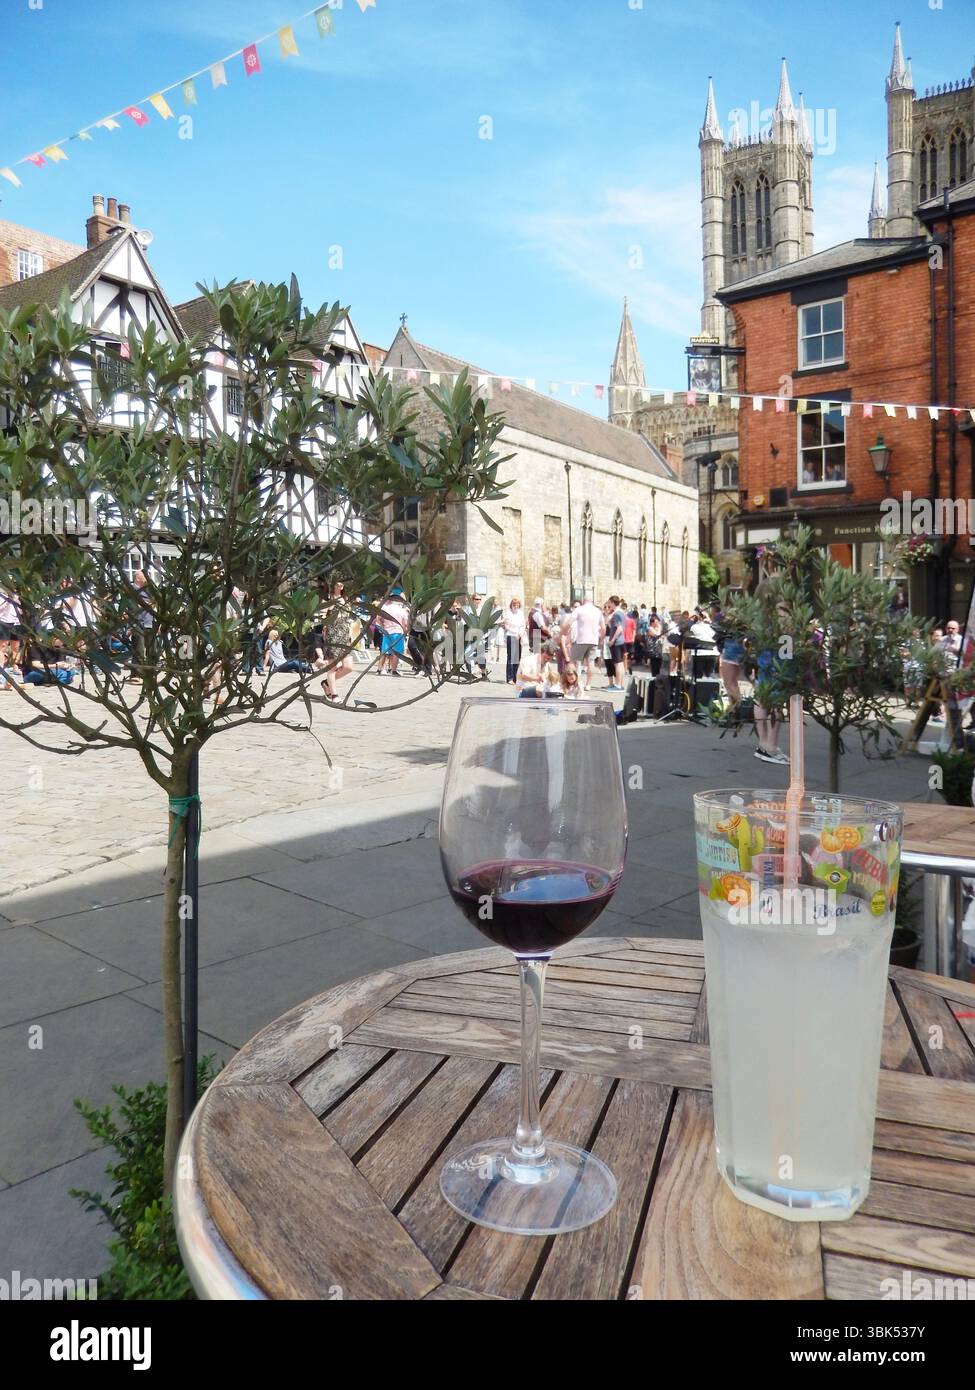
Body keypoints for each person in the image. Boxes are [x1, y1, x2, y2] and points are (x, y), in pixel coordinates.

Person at [320, 581, 356, 700]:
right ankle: (334, 694)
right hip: (333, 634)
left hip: (344, 634)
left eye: (341, 585)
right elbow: (323, 617)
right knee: (333, 667)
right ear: (333, 586)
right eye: (337, 584)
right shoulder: (328, 599)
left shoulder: (345, 599)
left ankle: (327, 683)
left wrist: (350, 632)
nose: (339, 586)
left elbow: (348, 617)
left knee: (348, 667)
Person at [565, 595, 603, 692]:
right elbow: (603, 627)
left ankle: (572, 682)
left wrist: (563, 632)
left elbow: (569, 623)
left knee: (573, 660)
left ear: (583, 601)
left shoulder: (579, 610)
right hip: (593, 640)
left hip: (581, 639)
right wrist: (600, 638)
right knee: (590, 662)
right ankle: (588, 684)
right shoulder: (598, 611)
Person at [378, 587, 411, 676]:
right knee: (396, 652)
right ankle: (393, 670)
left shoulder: (386, 608)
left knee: (384, 651)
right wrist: (406, 632)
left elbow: (379, 619)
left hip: (387, 631)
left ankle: (381, 669)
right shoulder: (402, 610)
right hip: (398, 632)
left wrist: (383, 626)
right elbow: (405, 624)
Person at [604, 596, 627, 691]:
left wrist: (612, 640)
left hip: (616, 641)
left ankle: (617, 685)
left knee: (617, 664)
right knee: (620, 663)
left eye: (610, 603)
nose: (609, 605)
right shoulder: (621, 612)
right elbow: (610, 624)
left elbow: (619, 628)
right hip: (621, 641)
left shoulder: (617, 614)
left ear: (613, 602)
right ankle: (619, 684)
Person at [502, 597, 525, 684]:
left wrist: (521, 633)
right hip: (511, 635)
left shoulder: (521, 613)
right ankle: (510, 678)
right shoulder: (508, 613)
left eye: (517, 604)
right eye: (514, 604)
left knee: (517, 658)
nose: (515, 606)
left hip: (519, 636)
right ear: (511, 605)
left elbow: (523, 625)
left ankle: (516, 678)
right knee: (511, 658)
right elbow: (507, 626)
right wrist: (516, 632)